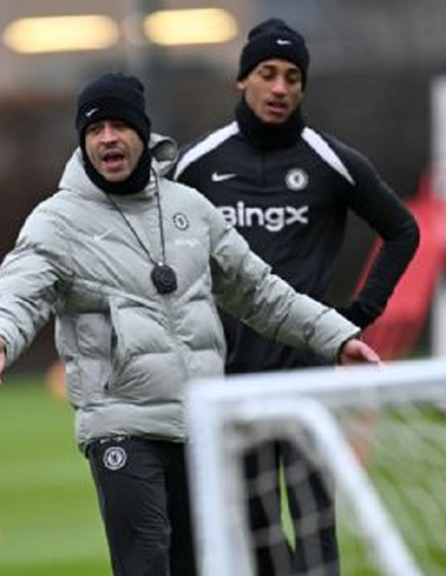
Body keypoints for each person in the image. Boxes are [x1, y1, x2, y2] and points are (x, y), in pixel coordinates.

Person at [0, 72, 381, 576]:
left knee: (197, 565)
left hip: (198, 424)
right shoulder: (56, 221)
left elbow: (260, 291)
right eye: (95, 130)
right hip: (119, 424)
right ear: (82, 141)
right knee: (146, 562)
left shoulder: (190, 208)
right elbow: (19, 287)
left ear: (144, 133)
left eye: (120, 126)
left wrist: (336, 336)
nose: (108, 139)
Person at [174, 18, 420, 576]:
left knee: (315, 533)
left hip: (309, 378)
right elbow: (154, 237)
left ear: (303, 88)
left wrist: (356, 318)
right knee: (258, 538)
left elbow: (402, 230)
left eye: (292, 77)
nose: (280, 87)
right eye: (267, 73)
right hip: (231, 379)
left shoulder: (328, 160)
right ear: (243, 79)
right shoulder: (198, 163)